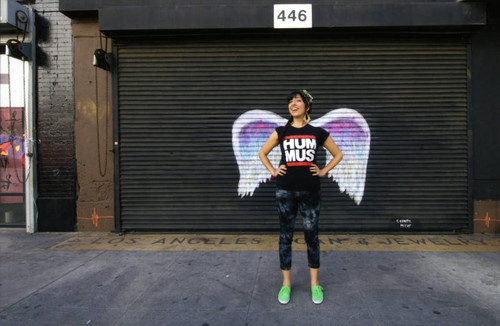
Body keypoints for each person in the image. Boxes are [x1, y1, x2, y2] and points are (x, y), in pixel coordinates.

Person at [258, 90, 343, 305]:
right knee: (285, 236)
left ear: (307, 107)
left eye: (298, 101)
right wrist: (273, 171)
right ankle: (286, 284)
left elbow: (338, 154)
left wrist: (323, 171)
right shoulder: (281, 131)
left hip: (310, 192)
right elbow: (262, 153)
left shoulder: (318, 132)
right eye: (291, 101)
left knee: (311, 237)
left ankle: (315, 284)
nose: (293, 104)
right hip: (285, 191)